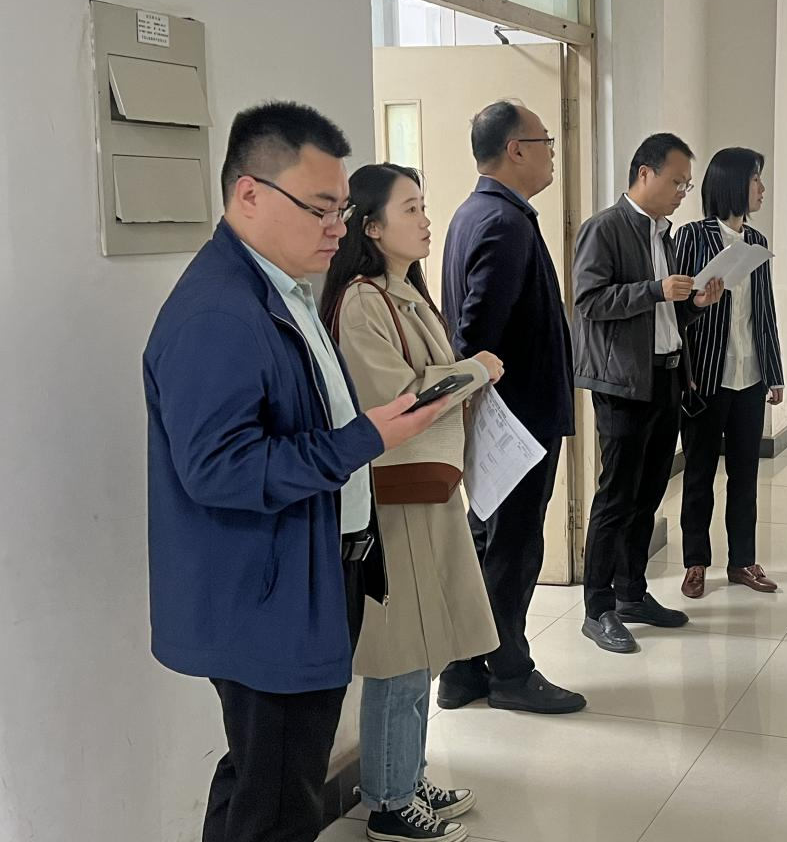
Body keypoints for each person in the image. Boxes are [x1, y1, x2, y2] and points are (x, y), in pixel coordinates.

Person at [144, 102, 449, 842]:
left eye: (341, 209)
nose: (337, 227)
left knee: (262, 775)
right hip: (266, 591)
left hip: (306, 573)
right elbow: (220, 470)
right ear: (249, 194)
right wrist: (365, 439)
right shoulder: (219, 313)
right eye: (319, 208)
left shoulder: (282, 287)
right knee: (279, 800)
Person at [320, 163, 504, 842]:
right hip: (396, 499)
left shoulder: (404, 292)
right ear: (370, 227)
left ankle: (405, 774)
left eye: (424, 207)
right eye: (411, 209)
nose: (427, 221)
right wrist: (473, 371)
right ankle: (390, 804)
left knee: (424, 646)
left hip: (428, 490)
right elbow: (396, 400)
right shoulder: (362, 301)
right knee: (400, 651)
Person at [438, 101, 584, 713]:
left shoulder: (476, 213)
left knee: (486, 541)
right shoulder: (503, 222)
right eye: (545, 141)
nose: (552, 152)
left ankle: (463, 668)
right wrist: (485, 400)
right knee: (513, 548)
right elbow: (476, 333)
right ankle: (509, 672)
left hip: (501, 417)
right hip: (514, 422)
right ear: (515, 149)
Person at [572, 132, 724, 653]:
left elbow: (664, 316)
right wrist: (656, 290)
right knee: (616, 496)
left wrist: (695, 304)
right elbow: (589, 301)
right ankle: (597, 608)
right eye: (677, 182)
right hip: (622, 383)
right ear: (644, 173)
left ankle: (631, 593)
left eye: (687, 185)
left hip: (666, 376)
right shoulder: (605, 228)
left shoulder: (665, 235)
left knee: (650, 493)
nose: (683, 192)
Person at [673, 148, 785, 599]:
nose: (762, 189)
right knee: (699, 474)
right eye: (756, 180)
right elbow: (676, 312)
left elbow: (765, 312)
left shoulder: (756, 241)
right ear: (733, 184)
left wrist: (774, 372)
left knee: (745, 474)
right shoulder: (691, 237)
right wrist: (699, 307)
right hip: (706, 378)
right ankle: (695, 563)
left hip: (749, 375)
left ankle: (742, 561)